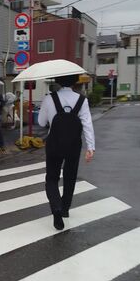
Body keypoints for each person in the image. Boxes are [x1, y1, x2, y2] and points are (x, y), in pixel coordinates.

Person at [38, 74, 95, 231]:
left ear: (58, 81)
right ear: (75, 81)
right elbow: (87, 124)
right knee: (70, 177)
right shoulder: (82, 100)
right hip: (74, 145)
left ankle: (56, 207)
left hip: (54, 143)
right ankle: (65, 209)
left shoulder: (49, 99)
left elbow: (41, 122)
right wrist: (90, 147)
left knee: (51, 178)